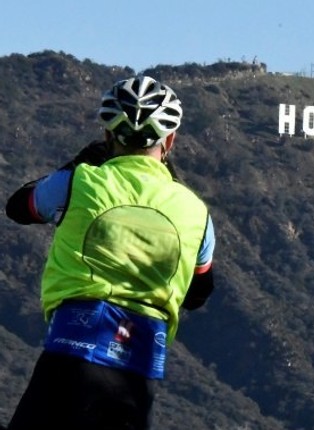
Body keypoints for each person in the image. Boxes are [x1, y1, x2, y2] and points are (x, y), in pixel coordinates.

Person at [4, 75, 216, 429]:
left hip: (73, 355)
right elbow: (198, 293)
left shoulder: (78, 181)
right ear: (171, 141)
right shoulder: (197, 213)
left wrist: (78, 163)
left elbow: (19, 207)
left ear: (106, 136)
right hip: (140, 374)